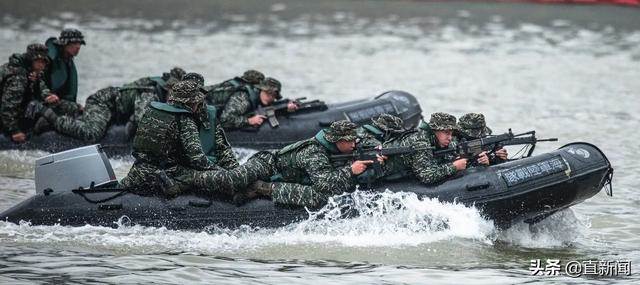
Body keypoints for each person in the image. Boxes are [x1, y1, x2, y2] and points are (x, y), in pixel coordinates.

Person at [120, 80, 272, 200]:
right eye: (196, 102)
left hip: (139, 171)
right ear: (189, 102)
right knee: (230, 179)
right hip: (171, 174)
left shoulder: (153, 111)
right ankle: (263, 189)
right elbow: (198, 160)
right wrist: (222, 172)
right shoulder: (185, 120)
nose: (198, 105)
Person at [31, 67, 185, 142]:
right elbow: (141, 119)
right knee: (92, 133)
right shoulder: (150, 93)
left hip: (113, 107)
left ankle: (67, 109)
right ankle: (50, 116)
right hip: (104, 103)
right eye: (175, 92)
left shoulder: (158, 90)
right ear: (168, 88)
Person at [250, 120, 377, 208]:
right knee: (317, 196)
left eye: (355, 140)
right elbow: (323, 184)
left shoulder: (336, 147)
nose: (354, 144)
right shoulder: (315, 152)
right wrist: (350, 170)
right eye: (350, 141)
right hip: (273, 170)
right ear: (337, 140)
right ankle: (266, 188)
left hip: (296, 174)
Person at [0, 44, 50, 142]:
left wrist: (34, 83)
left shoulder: (30, 73)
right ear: (30, 60)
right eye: (38, 61)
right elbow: (8, 106)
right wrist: (14, 131)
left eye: (43, 62)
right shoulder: (19, 75)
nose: (41, 65)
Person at [209, 74, 298, 129]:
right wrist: (249, 121)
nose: (271, 98)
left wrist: (286, 106)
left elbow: (271, 107)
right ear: (261, 90)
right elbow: (225, 120)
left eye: (274, 96)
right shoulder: (243, 99)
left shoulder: (259, 98)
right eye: (268, 94)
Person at [415, 112, 469, 184]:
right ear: (434, 131)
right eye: (446, 133)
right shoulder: (421, 142)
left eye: (451, 133)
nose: (450, 138)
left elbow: (454, 155)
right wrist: (454, 167)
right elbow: (425, 176)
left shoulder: (442, 140)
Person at [43, 28, 86, 115]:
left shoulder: (68, 61)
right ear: (65, 44)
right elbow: (38, 82)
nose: (78, 47)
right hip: (45, 101)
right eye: (74, 43)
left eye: (79, 44)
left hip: (60, 102)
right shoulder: (49, 59)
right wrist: (47, 95)